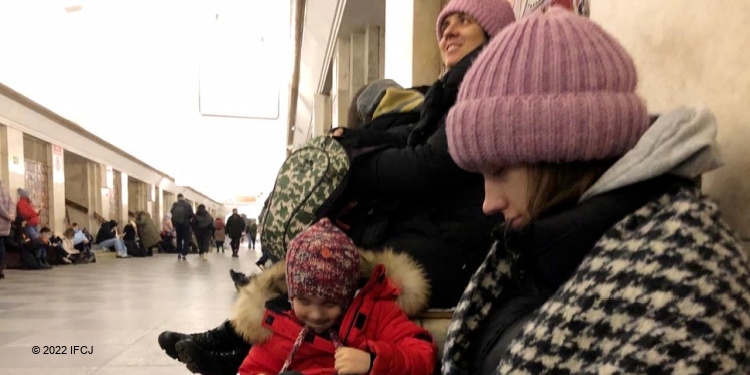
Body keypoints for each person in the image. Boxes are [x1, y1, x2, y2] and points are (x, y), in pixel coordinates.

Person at [440, 7, 750, 374]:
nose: (489, 203)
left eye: (499, 171)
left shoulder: (689, 286)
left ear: (563, 155)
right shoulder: (538, 247)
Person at [331, 0, 514, 309]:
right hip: (438, 228)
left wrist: (353, 167)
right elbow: (411, 136)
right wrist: (353, 138)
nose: (449, 33)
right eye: (444, 26)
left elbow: (430, 165)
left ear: (492, 32)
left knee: (335, 269)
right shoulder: (453, 89)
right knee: (324, 256)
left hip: (460, 244)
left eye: (464, 21)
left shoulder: (487, 90)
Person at [236, 218, 435, 375]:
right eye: (304, 300)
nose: (315, 314)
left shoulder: (377, 314)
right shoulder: (276, 326)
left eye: (330, 303)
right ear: (290, 296)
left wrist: (374, 361)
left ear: (347, 297)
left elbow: (423, 356)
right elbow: (249, 370)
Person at [171, 193, 195, 260]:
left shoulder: (175, 204)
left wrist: (174, 225)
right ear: (183, 197)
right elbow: (192, 215)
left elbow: (172, 214)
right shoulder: (187, 205)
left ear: (177, 198)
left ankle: (179, 252)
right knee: (186, 239)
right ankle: (184, 254)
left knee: (179, 238)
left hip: (178, 225)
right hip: (186, 225)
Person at [0, 180, 15, 279]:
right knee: (1, 247)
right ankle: (0, 269)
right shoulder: (4, 187)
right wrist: (11, 215)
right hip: (4, 223)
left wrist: (7, 215)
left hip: (2, 220)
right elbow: (12, 203)